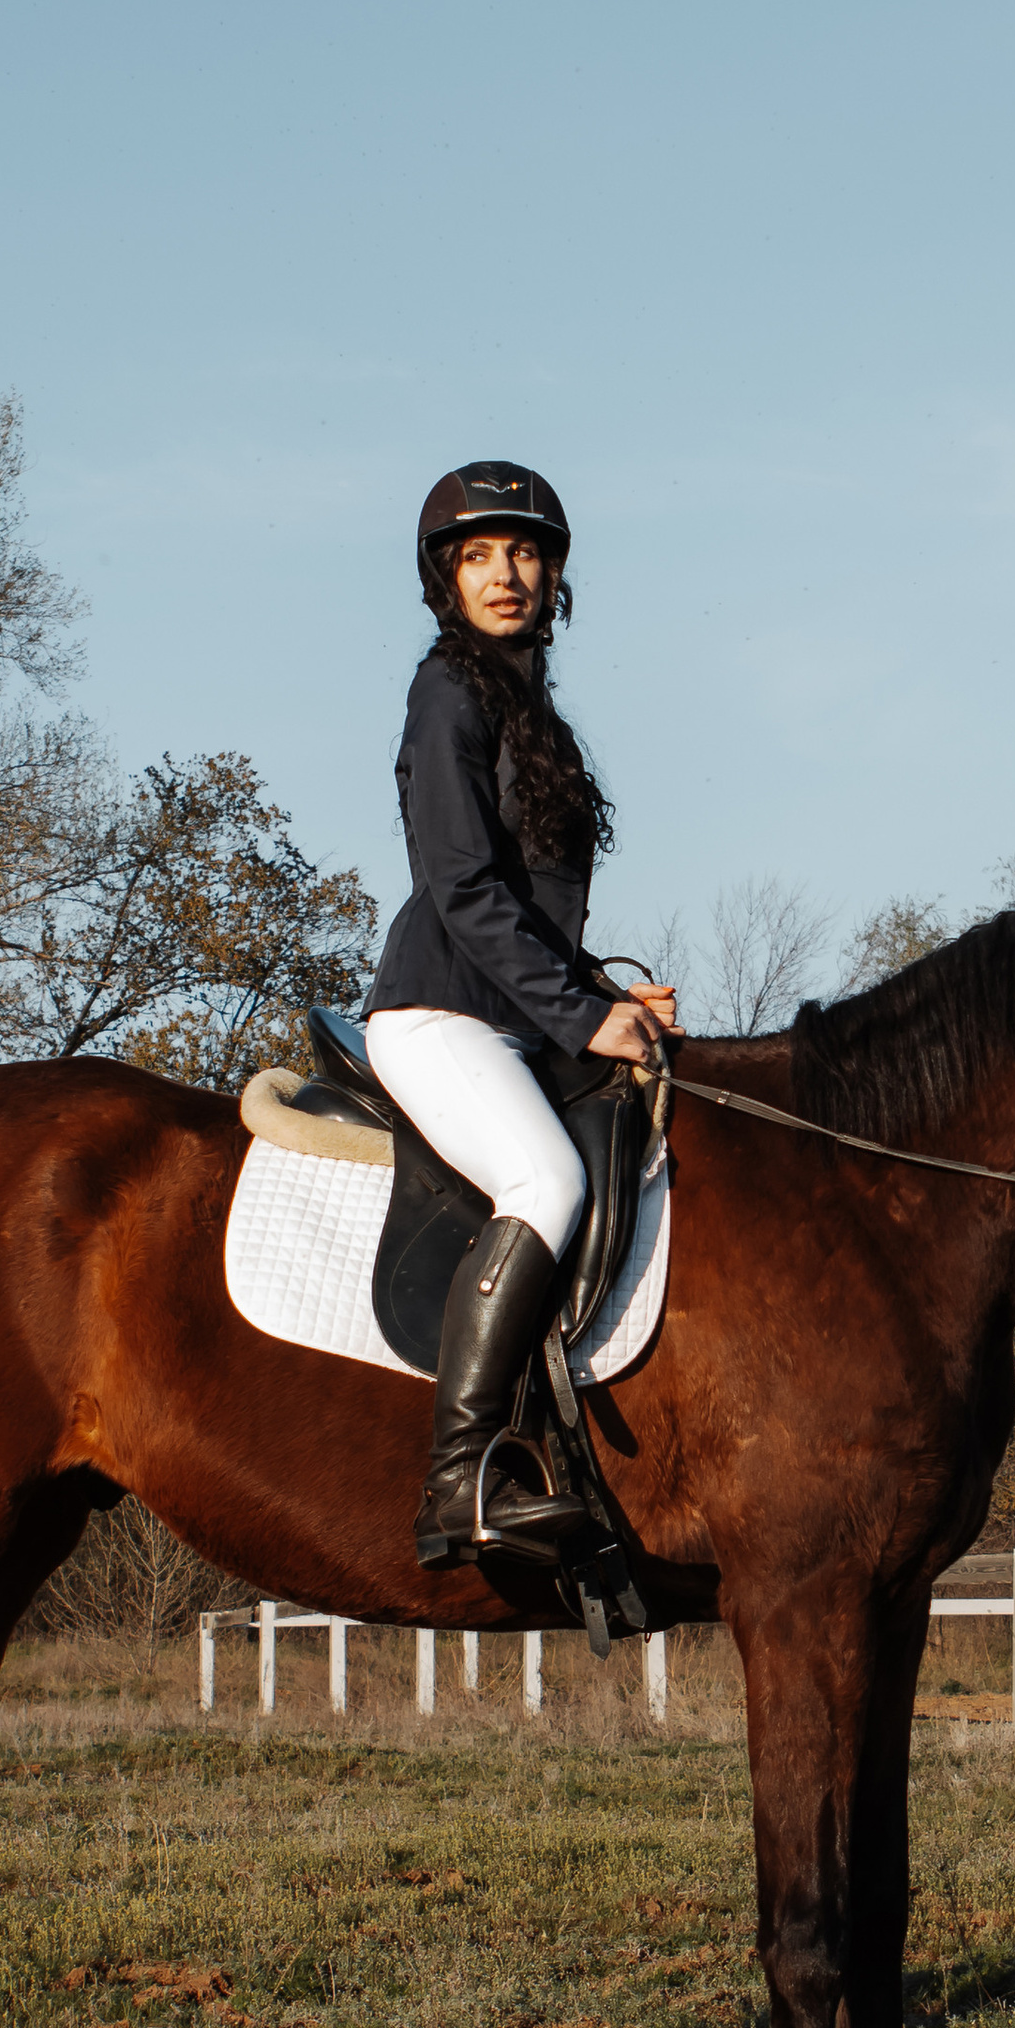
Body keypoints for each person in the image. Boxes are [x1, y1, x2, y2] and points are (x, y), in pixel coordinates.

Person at [365, 463, 677, 1563]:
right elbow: (462, 888)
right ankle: (456, 1481)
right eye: (479, 555)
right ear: (445, 578)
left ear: (554, 575)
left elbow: (530, 912)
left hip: (513, 1012)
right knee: (547, 1179)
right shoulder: (447, 691)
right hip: (437, 1012)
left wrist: (601, 994)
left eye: (526, 553)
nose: (506, 574)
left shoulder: (526, 705)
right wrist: (577, 1012)